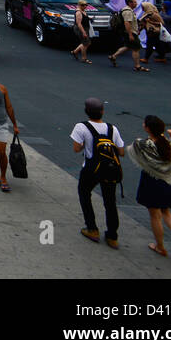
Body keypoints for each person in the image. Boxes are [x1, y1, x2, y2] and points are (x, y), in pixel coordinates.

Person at [129, 115, 171, 258]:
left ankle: (160, 246)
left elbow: (132, 150)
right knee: (166, 212)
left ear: (148, 128)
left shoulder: (143, 144)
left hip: (152, 183)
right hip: (169, 183)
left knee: (155, 216)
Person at [72, 97, 126, 248]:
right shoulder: (112, 129)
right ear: (102, 111)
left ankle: (92, 229)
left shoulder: (81, 127)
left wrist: (86, 145)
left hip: (91, 169)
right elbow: (121, 152)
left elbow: (76, 148)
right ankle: (112, 236)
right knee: (110, 202)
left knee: (84, 194)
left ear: (86, 111)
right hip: (109, 169)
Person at [109, 0, 147, 71]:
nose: (136, 4)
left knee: (128, 46)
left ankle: (113, 56)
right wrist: (130, 34)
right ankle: (137, 66)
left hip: (130, 32)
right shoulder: (128, 11)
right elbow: (127, 23)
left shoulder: (128, 10)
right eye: (134, 2)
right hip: (130, 32)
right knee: (136, 49)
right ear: (130, 3)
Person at [70, 0, 95, 64]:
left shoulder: (83, 11)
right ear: (79, 5)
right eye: (83, 5)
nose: (85, 6)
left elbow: (84, 18)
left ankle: (75, 52)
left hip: (85, 28)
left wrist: (89, 18)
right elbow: (79, 23)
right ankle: (84, 58)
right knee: (85, 44)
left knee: (87, 43)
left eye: (86, 5)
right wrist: (83, 32)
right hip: (81, 29)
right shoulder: (78, 12)